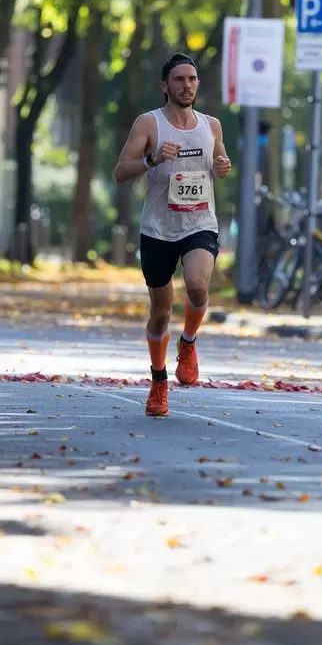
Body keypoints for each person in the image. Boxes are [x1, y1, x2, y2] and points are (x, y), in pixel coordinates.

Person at [113, 53, 232, 418]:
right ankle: (159, 381)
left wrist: (222, 166)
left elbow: (220, 164)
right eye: (179, 79)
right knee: (161, 312)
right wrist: (152, 161)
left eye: (193, 79)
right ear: (165, 85)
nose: (187, 85)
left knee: (198, 286)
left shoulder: (211, 126)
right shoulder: (149, 124)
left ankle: (189, 342)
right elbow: (120, 171)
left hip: (199, 223)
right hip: (158, 229)